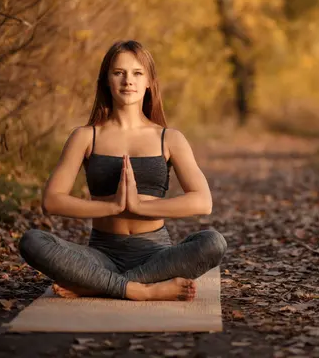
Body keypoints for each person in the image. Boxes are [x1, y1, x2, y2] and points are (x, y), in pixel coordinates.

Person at [17, 40, 227, 301]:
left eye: (137, 73)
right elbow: (52, 201)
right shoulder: (85, 136)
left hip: (156, 256)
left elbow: (202, 201)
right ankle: (142, 290)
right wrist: (113, 207)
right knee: (32, 241)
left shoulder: (169, 138)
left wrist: (139, 207)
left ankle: (97, 286)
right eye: (119, 73)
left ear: (149, 81)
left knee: (213, 242)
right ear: (106, 80)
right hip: (101, 255)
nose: (128, 80)